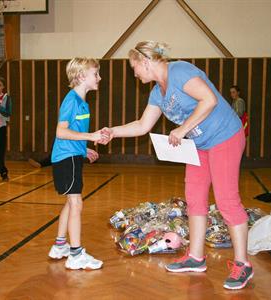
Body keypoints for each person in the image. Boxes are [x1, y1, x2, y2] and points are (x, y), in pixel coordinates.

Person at [101, 41, 253, 289]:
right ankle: (195, 257)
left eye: (134, 67)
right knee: (194, 198)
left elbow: (209, 100)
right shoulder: (155, 94)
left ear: (146, 62)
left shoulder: (180, 71)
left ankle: (243, 265)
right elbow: (142, 125)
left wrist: (182, 129)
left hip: (225, 136)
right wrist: (112, 132)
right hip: (199, 145)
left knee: (227, 200)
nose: (134, 73)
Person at [47, 57, 106, 270]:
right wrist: (91, 137)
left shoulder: (82, 102)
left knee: (70, 202)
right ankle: (76, 254)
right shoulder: (72, 100)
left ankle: (60, 245)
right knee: (76, 203)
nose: (99, 77)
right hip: (65, 159)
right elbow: (61, 131)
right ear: (82, 76)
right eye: (95, 74)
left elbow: (74, 133)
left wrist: (84, 148)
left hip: (72, 156)